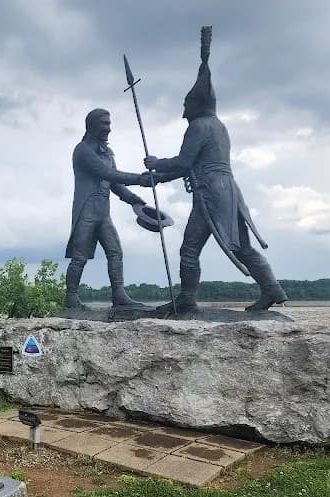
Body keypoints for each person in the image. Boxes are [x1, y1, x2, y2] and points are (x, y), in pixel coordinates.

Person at [144, 27, 287, 312]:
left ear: (196, 105)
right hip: (228, 191)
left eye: (186, 105)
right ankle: (273, 289)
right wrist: (158, 179)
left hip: (211, 194)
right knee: (242, 246)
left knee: (189, 248)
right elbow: (192, 166)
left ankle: (186, 300)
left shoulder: (200, 125)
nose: (183, 111)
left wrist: (156, 163)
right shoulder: (219, 126)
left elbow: (185, 162)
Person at [65, 108, 152, 309]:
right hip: (86, 210)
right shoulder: (82, 150)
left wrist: (132, 198)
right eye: (104, 124)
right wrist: (139, 179)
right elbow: (106, 173)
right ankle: (70, 298)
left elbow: (113, 182)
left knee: (115, 252)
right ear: (92, 125)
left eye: (110, 124)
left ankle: (119, 295)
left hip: (103, 214)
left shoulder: (108, 153)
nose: (108, 129)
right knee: (80, 257)